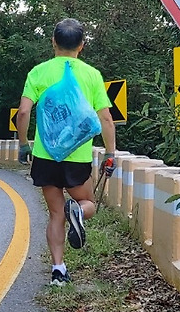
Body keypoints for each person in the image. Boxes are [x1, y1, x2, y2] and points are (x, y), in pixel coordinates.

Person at [17, 18, 117, 286]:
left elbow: (24, 112)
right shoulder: (92, 75)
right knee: (88, 203)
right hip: (78, 157)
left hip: (46, 155)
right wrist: (110, 153)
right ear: (81, 45)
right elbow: (106, 119)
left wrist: (24, 144)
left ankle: (58, 271)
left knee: (56, 214)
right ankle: (79, 212)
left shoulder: (38, 72)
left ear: (53, 42)